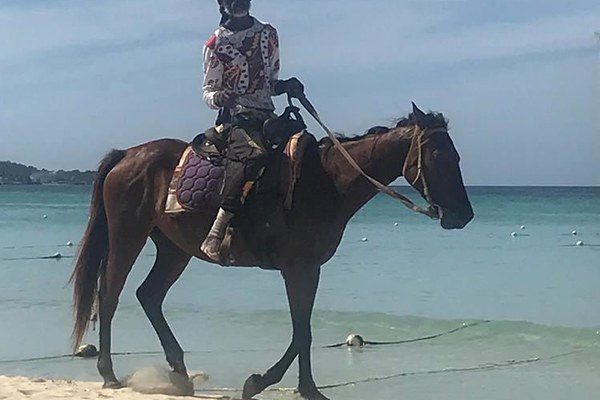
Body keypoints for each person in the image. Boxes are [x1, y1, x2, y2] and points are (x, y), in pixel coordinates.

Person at [200, 0, 305, 262]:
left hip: (267, 116)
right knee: (254, 157)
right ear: (222, 3)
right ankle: (216, 232)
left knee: (305, 147)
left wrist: (286, 86)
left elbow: (271, 84)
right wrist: (220, 97)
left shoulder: (268, 34)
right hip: (236, 119)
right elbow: (208, 92)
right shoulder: (215, 43)